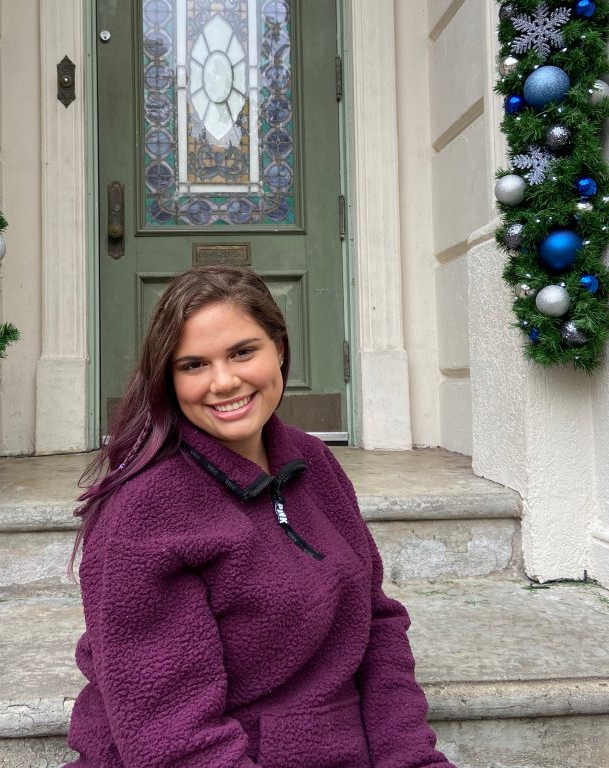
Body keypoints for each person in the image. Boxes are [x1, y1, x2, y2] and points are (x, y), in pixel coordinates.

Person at [65, 265, 455, 768]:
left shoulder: (312, 460)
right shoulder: (145, 514)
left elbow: (376, 626)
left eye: (242, 352)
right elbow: (173, 739)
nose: (224, 382)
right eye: (193, 365)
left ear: (280, 349)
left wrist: (412, 759)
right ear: (168, 379)